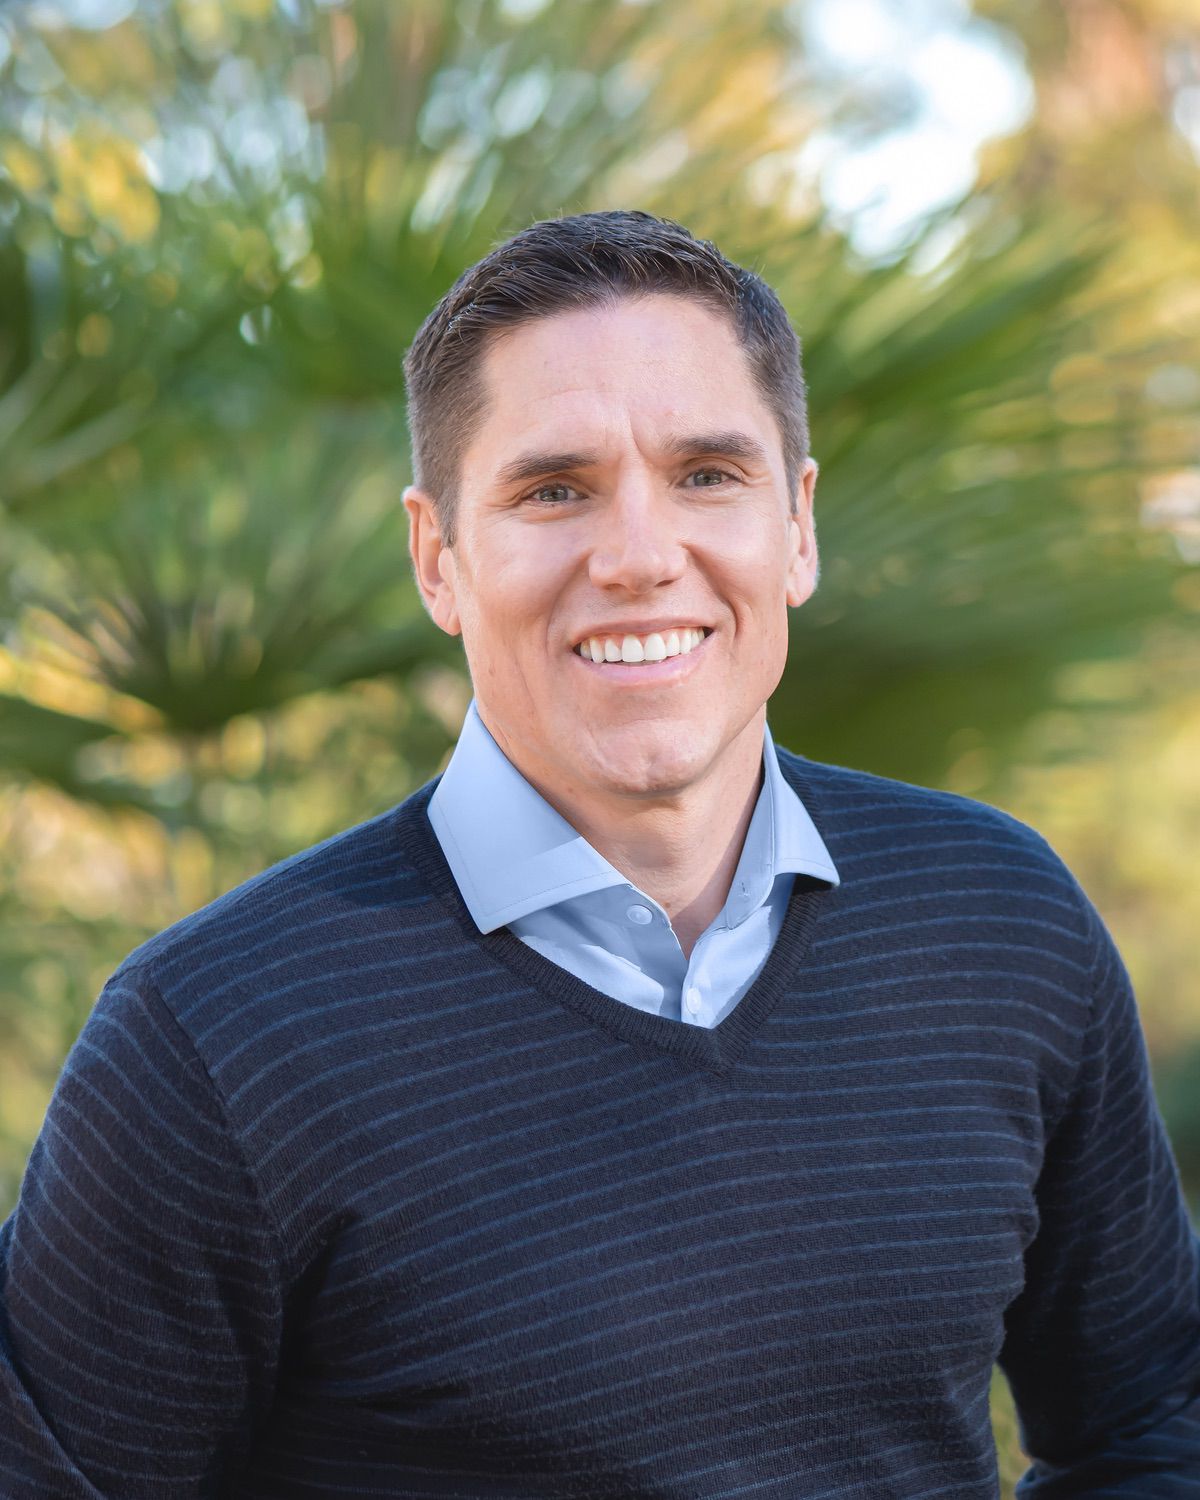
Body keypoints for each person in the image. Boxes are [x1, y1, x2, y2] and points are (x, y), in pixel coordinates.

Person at [2, 210, 1198, 1499]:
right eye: (553, 490)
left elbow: (1154, 1420)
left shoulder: (1000, 920)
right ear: (438, 559)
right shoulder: (216, 1038)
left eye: (708, 475)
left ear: (797, 527)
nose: (638, 557)